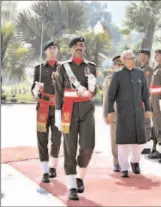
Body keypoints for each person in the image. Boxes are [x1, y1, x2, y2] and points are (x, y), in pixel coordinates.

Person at [54, 37, 97, 201]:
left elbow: (94, 88)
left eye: (82, 45)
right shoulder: (63, 67)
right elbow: (58, 91)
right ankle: (72, 185)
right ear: (71, 49)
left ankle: (80, 175)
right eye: (77, 46)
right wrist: (58, 113)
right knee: (69, 148)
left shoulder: (91, 67)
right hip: (68, 111)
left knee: (88, 146)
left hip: (86, 110)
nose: (80, 48)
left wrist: (92, 91)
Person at [107, 49, 152, 178]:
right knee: (123, 143)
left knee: (141, 142)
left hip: (138, 112)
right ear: (124, 60)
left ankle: (135, 162)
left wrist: (148, 109)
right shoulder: (118, 75)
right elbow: (111, 96)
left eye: (133, 58)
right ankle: (124, 168)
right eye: (130, 58)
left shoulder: (140, 73)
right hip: (123, 112)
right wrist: (110, 111)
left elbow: (145, 94)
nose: (133, 60)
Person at [31, 40, 62, 183]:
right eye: (50, 48)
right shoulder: (38, 68)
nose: (53, 50)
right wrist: (34, 90)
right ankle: (44, 171)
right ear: (45, 51)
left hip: (57, 108)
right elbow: (33, 88)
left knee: (56, 139)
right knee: (42, 139)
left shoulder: (63, 68)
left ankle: (53, 166)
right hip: (42, 107)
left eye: (55, 48)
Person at [103, 55, 124, 172]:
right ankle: (117, 162)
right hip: (114, 114)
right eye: (117, 64)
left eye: (121, 65)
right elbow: (106, 98)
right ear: (114, 66)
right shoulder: (109, 79)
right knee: (115, 139)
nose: (119, 67)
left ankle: (124, 160)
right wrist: (105, 114)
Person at [148, 49, 161, 159]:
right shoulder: (157, 68)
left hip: (159, 100)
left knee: (160, 125)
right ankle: (158, 148)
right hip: (154, 100)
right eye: (156, 55)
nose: (157, 57)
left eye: (159, 55)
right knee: (155, 124)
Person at [138, 49, 154, 154]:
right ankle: (143, 143)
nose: (141, 56)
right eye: (140, 55)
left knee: (147, 122)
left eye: (143, 55)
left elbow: (152, 86)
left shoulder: (150, 70)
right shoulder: (139, 69)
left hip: (148, 99)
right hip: (139, 99)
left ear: (148, 56)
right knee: (142, 122)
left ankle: (148, 145)